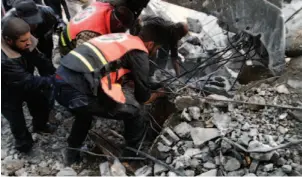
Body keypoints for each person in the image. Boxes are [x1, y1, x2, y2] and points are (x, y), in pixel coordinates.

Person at [54, 16, 172, 165]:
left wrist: (153, 84)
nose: (155, 52)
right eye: (157, 49)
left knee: (85, 113)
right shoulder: (139, 53)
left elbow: (127, 73)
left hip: (60, 79)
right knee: (136, 111)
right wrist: (159, 94)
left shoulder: (123, 38)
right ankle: (131, 157)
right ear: (151, 44)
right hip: (78, 93)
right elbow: (143, 97)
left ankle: (72, 151)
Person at [1, 17, 56, 153]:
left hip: (23, 79)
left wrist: (57, 74)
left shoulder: (25, 41)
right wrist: (54, 82)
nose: (28, 43)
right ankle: (23, 145)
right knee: (16, 119)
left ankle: (40, 125)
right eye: (24, 41)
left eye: (29, 38)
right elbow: (28, 81)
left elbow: (40, 60)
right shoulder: (4, 60)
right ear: (9, 41)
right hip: (5, 90)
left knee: (40, 103)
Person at [59, 1, 134, 56]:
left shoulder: (105, 6)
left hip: (77, 27)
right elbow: (83, 57)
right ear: (119, 25)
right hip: (67, 45)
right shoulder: (91, 34)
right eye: (124, 30)